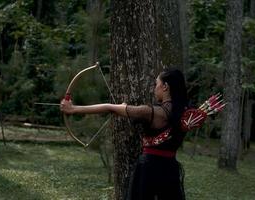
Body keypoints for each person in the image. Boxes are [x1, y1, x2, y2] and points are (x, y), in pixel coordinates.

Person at [60, 69, 188, 200]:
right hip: (169, 169)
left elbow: (109, 107)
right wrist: (126, 107)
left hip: (148, 169)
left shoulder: (150, 112)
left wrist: (73, 109)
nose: (154, 88)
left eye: (157, 84)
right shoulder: (186, 114)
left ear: (165, 86)